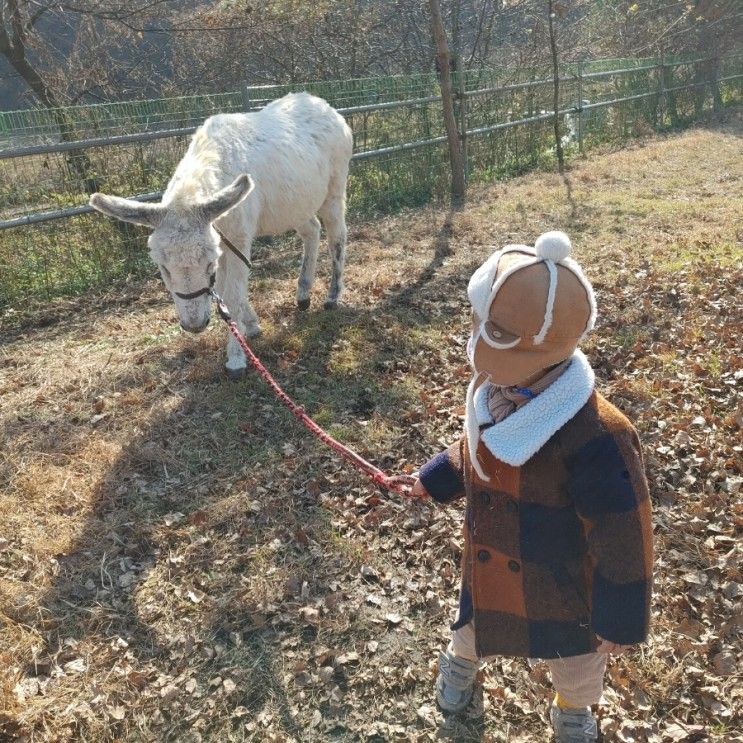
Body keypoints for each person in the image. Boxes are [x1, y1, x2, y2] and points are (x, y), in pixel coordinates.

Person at [411, 231, 653, 743]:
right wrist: (435, 479)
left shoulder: (600, 436)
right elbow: (482, 449)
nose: (472, 338)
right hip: (493, 557)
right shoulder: (497, 394)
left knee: (578, 666)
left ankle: (572, 715)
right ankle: (460, 670)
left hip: (565, 585)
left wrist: (620, 614)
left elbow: (623, 532)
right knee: (472, 631)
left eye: (484, 327)